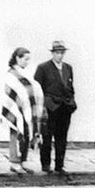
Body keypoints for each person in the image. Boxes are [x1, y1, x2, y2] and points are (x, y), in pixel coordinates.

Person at [33, 41, 76, 175]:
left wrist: (72, 102)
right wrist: (44, 104)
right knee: (47, 136)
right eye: (57, 53)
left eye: (62, 53)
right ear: (52, 53)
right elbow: (37, 89)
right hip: (50, 107)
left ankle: (59, 165)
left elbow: (70, 87)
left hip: (65, 107)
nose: (60, 56)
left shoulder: (68, 68)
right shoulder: (43, 68)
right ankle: (45, 164)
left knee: (62, 137)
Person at [3, 48, 44, 174]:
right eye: (25, 59)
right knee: (16, 134)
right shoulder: (11, 74)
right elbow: (16, 92)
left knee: (26, 133)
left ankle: (22, 161)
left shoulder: (23, 73)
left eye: (28, 59)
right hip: (15, 109)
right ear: (17, 58)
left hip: (25, 109)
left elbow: (31, 87)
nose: (27, 62)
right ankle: (14, 162)